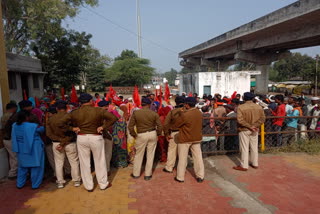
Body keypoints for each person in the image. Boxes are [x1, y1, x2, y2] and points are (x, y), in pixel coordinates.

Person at [58, 93, 118, 192]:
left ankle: (88, 186)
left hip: (81, 138)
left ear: (81, 102)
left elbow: (60, 123)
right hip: (96, 137)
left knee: (84, 163)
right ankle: (103, 184)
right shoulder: (98, 110)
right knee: (100, 161)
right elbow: (114, 118)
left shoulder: (75, 112)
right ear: (91, 101)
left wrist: (72, 128)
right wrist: (103, 127)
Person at [46, 102, 81, 188]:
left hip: (56, 143)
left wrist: (61, 142)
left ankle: (60, 182)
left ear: (57, 109)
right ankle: (76, 181)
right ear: (66, 108)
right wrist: (64, 142)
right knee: (74, 162)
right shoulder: (71, 118)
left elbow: (48, 134)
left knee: (58, 163)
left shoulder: (50, 119)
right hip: (69, 142)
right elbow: (74, 132)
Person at [128, 97, 162, 181]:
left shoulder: (136, 113)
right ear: (149, 104)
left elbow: (130, 126)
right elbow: (160, 126)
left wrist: (134, 135)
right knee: (150, 155)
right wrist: (157, 134)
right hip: (152, 133)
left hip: (141, 134)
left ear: (141, 104)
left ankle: (136, 174)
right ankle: (148, 174)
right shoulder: (154, 113)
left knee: (139, 154)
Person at [11, 110, 45, 189]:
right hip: (34, 149)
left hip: (21, 149)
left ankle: (20, 184)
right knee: (36, 167)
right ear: (27, 117)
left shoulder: (14, 125)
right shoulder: (32, 126)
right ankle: (35, 185)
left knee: (22, 167)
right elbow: (41, 130)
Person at [174, 97, 204, 183]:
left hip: (185, 138)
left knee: (182, 158)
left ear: (187, 105)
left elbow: (176, 124)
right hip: (196, 138)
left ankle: (180, 177)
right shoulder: (199, 113)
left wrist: (181, 113)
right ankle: (200, 176)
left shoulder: (185, 114)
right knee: (198, 158)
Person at [234, 92, 265, 171]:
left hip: (244, 129)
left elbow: (240, 120)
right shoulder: (259, 107)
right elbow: (262, 119)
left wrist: (250, 126)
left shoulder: (241, 107)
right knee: (254, 147)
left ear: (244, 98)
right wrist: (254, 126)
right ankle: (255, 163)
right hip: (255, 129)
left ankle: (244, 165)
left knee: (244, 147)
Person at [163, 96, 185, 173]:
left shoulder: (172, 112)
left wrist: (166, 134)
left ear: (176, 102)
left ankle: (169, 167)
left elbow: (166, 124)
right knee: (183, 152)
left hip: (174, 132)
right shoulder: (187, 111)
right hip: (185, 133)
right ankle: (182, 168)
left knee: (172, 151)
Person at [1, 102, 18, 179]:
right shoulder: (12, 116)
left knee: (12, 156)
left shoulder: (3, 116)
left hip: (5, 138)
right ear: (13, 108)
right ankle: (13, 173)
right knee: (14, 156)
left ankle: (13, 172)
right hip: (10, 138)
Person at [98, 100, 114, 175]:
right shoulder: (105, 114)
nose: (107, 108)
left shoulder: (95, 113)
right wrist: (108, 136)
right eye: (106, 106)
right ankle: (106, 170)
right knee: (107, 154)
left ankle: (101, 170)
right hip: (105, 135)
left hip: (97, 136)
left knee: (99, 155)